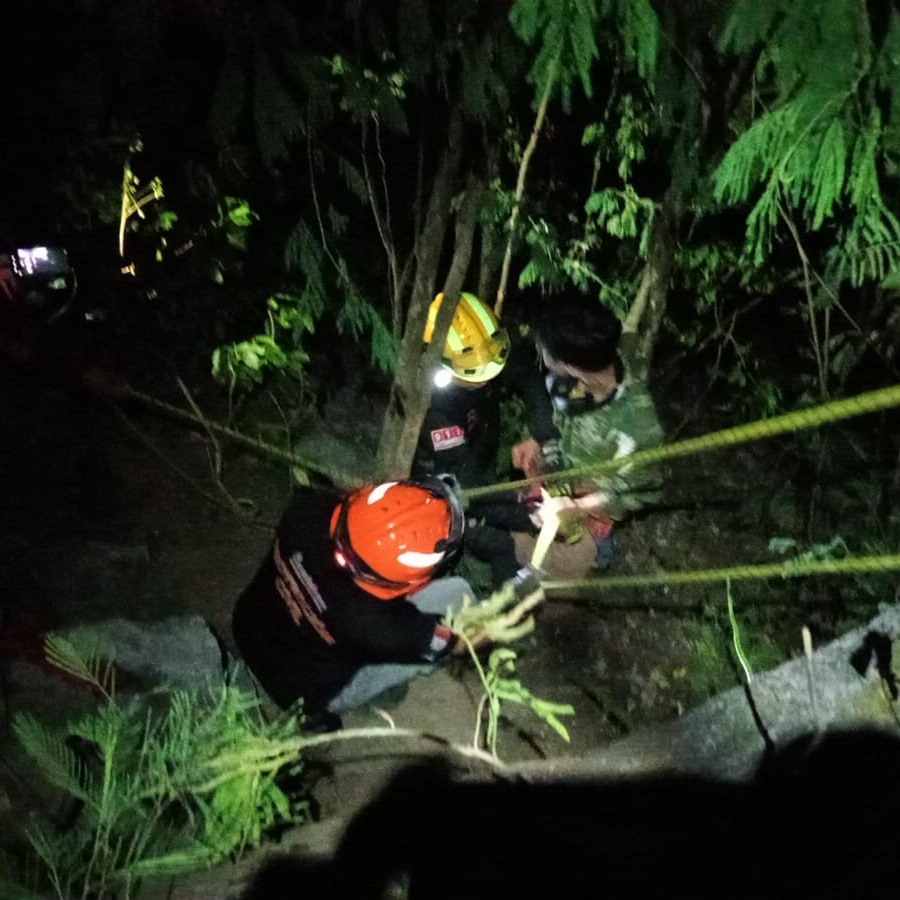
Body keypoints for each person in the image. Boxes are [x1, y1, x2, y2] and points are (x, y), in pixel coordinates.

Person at [231, 477, 477, 730]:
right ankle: (328, 711)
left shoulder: (306, 512)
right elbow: (456, 641)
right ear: (412, 583)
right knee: (458, 593)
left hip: (247, 627)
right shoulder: (382, 628)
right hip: (304, 696)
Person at [511, 291, 664, 572]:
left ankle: (598, 548)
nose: (540, 355)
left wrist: (578, 507)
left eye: (545, 351)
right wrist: (538, 438)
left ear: (568, 364)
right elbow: (558, 414)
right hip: (556, 478)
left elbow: (637, 492)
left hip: (591, 503)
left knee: (550, 567)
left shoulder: (637, 425)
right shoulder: (571, 376)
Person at [411, 292, 558, 582]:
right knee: (501, 545)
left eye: (492, 372)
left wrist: (540, 435)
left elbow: (528, 379)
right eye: (476, 377)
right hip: (449, 484)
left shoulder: (489, 348)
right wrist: (525, 508)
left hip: (482, 447)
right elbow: (465, 482)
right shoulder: (433, 405)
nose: (487, 380)